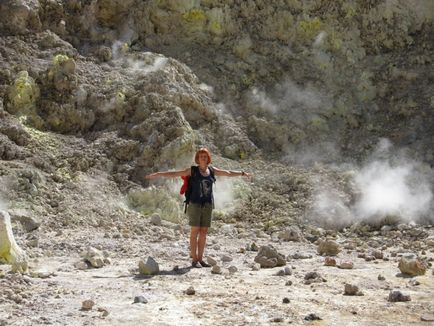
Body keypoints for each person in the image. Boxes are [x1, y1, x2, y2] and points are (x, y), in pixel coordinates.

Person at [144, 147, 252, 268]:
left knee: (204, 232)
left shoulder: (211, 170)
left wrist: (242, 173)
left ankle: (200, 259)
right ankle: (194, 259)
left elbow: (227, 173)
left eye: (205, 156)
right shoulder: (192, 170)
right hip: (195, 204)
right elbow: (175, 173)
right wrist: (158, 174)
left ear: (208, 158)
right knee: (195, 231)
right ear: (198, 158)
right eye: (201, 156)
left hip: (208, 204)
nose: (203, 158)